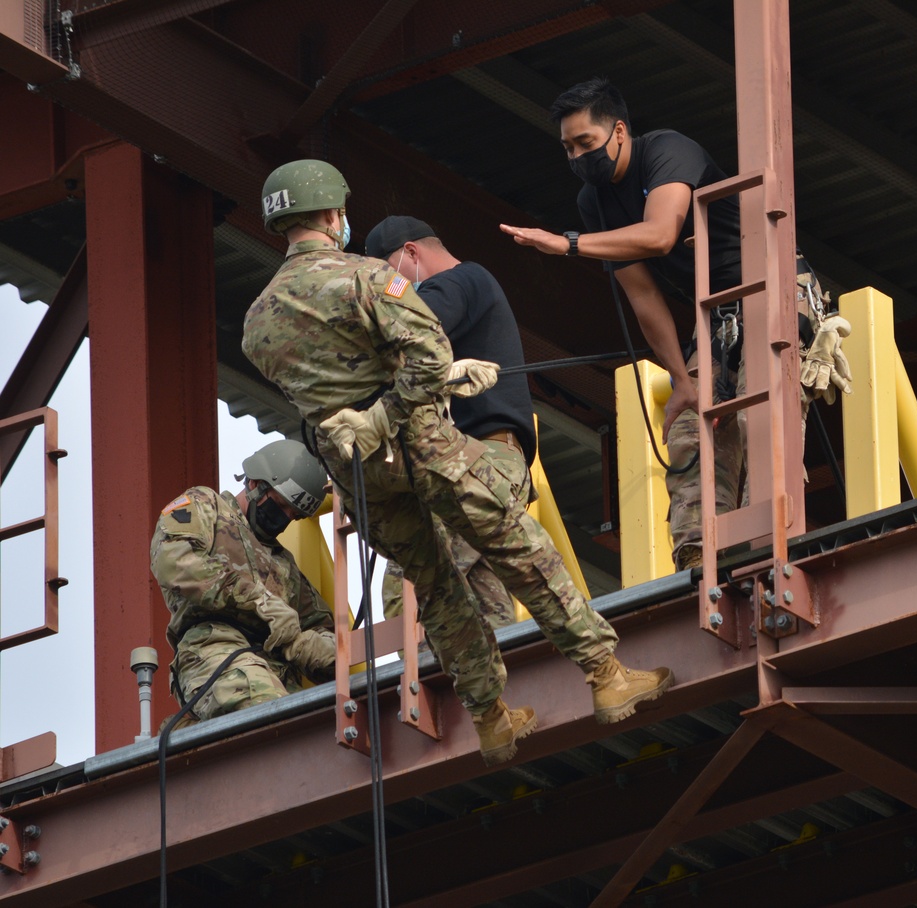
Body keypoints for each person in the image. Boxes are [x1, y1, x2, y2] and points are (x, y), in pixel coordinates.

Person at [242, 159, 673, 766]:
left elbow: (313, 406)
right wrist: (391, 410)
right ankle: (606, 674)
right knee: (516, 546)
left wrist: (360, 424)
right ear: (333, 214)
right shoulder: (367, 279)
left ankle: (492, 719)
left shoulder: (256, 321)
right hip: (423, 446)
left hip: (362, 475)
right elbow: (427, 357)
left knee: (437, 590)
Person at [500, 77, 850, 571]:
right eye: (568, 149)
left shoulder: (665, 150)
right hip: (719, 317)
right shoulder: (592, 202)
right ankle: (699, 557)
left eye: (586, 143)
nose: (578, 157)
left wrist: (568, 245)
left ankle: (767, 540)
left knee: (758, 413)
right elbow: (642, 296)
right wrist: (682, 380)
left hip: (772, 290)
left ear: (619, 131)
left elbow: (661, 234)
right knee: (689, 428)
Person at [365, 214, 536, 633]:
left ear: (411, 253)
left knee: (414, 577)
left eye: (388, 274)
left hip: (473, 459)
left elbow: (411, 326)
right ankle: (492, 687)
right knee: (482, 600)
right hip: (489, 463)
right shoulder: (470, 288)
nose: (390, 289)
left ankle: (419, 683)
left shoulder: (460, 281)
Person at [150, 439, 336, 722]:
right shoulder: (207, 507)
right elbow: (174, 563)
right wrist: (259, 601)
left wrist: (305, 645)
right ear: (255, 484)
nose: (284, 519)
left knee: (313, 728)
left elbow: (323, 627)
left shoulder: (284, 565)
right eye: (280, 506)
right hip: (214, 647)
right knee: (271, 716)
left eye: (294, 516)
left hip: (278, 673)